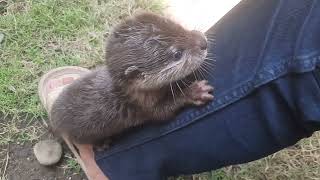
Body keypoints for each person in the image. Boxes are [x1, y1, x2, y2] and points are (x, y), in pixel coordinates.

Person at [39, 0, 320, 179]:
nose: (199, 39)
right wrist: (185, 96)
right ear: (138, 77)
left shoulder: (131, 78)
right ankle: (107, 162)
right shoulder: (140, 96)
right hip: (81, 124)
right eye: (177, 55)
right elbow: (158, 112)